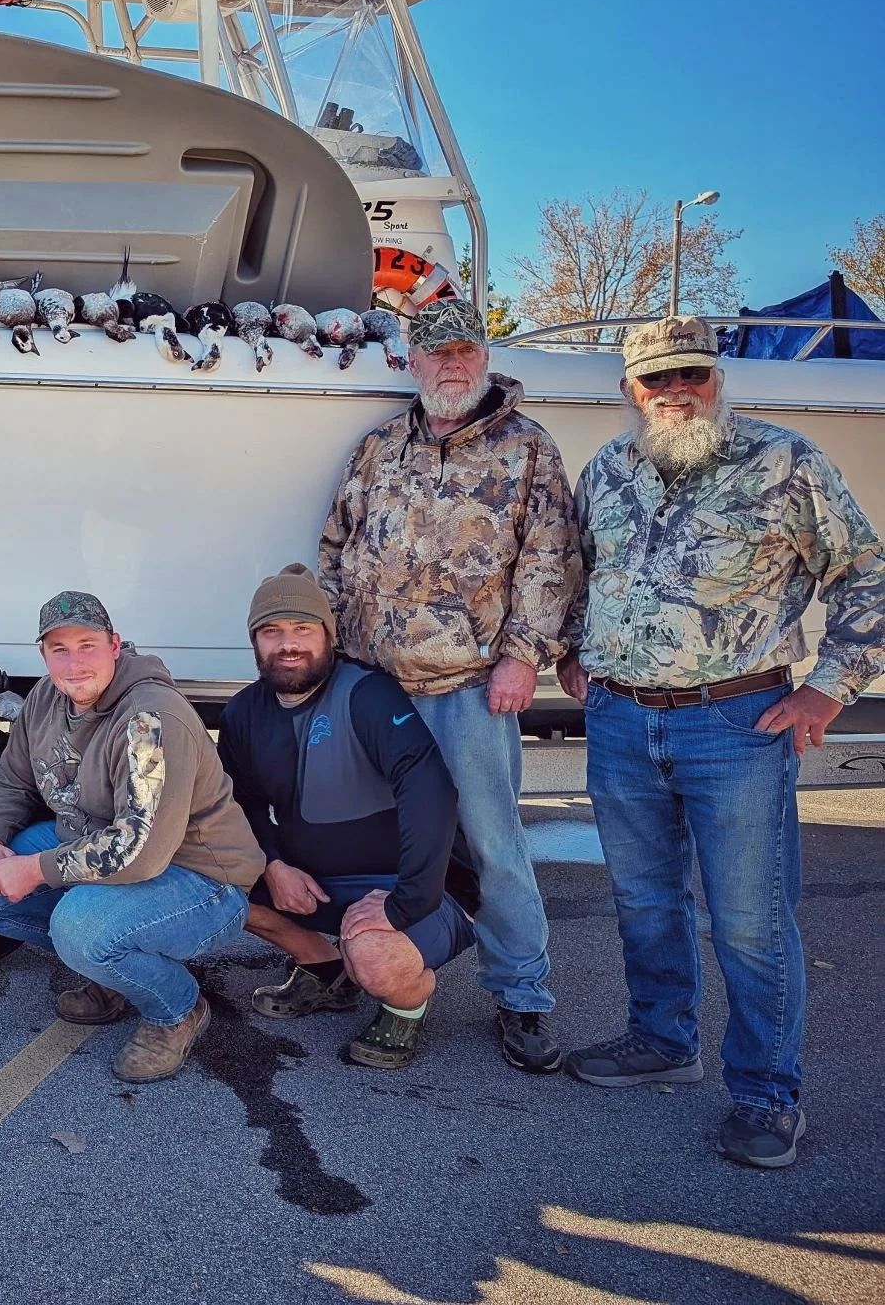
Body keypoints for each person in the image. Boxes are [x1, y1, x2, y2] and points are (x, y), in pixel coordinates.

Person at [559, 316, 885, 1168]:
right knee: (645, 900)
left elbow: (869, 579)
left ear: (716, 377)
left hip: (735, 722)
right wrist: (571, 649)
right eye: (656, 379)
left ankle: (768, 1094)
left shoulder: (785, 462)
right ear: (629, 388)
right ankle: (662, 1039)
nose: (675, 392)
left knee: (749, 920)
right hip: (621, 720)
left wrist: (828, 686)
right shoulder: (608, 471)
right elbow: (581, 573)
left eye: (690, 375)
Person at [317, 297, 579, 1072]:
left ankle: (523, 997)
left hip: (468, 688)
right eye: (437, 352)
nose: (453, 362)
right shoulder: (377, 448)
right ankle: (354, 966)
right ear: (413, 361)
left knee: (494, 847)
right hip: (373, 689)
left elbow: (550, 558)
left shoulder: (527, 447)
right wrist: (337, 660)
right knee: (368, 839)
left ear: (485, 356)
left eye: (465, 348)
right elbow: (336, 546)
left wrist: (524, 655)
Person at [0, 592, 265, 1082]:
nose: (74, 663)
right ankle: (111, 970)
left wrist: (33, 870)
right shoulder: (45, 701)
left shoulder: (150, 719)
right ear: (44, 654)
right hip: (96, 846)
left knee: (80, 929)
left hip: (199, 877)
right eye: (59, 649)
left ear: (115, 646)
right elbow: (11, 779)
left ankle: (177, 1009)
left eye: (87, 645)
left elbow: (138, 849)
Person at [223, 566, 481, 1071]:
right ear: (254, 641)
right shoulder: (241, 713)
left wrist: (406, 903)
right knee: (213, 891)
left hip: (412, 888)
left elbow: (430, 792)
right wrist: (272, 863)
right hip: (315, 880)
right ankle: (325, 972)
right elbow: (241, 804)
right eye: (272, 632)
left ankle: (404, 1008)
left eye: (303, 630)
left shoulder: (367, 694)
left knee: (377, 957)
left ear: (328, 634)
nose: (288, 645)